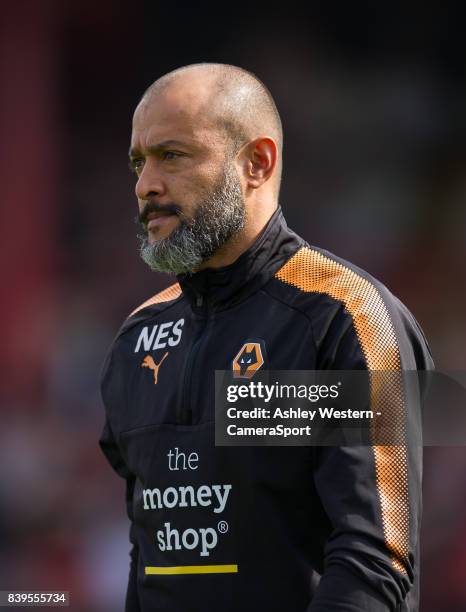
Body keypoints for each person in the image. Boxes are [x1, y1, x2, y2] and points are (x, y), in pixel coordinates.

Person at [99, 63, 433, 611]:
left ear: (256, 163)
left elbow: (375, 563)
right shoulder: (136, 340)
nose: (144, 185)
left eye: (172, 156)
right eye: (138, 162)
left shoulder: (343, 317)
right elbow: (149, 559)